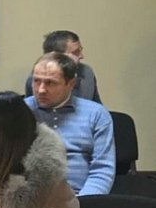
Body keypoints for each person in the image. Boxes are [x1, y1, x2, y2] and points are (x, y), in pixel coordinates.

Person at [25, 52, 115, 196]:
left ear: (71, 84)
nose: (41, 90)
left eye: (50, 83)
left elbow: (102, 169)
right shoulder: (20, 111)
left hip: (80, 196)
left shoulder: (96, 114)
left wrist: (84, 203)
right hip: (29, 198)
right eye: (36, 81)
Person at [23, 30, 101, 102]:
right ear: (56, 55)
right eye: (75, 52)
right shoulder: (37, 78)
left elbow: (97, 105)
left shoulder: (86, 72)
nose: (81, 56)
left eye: (80, 50)